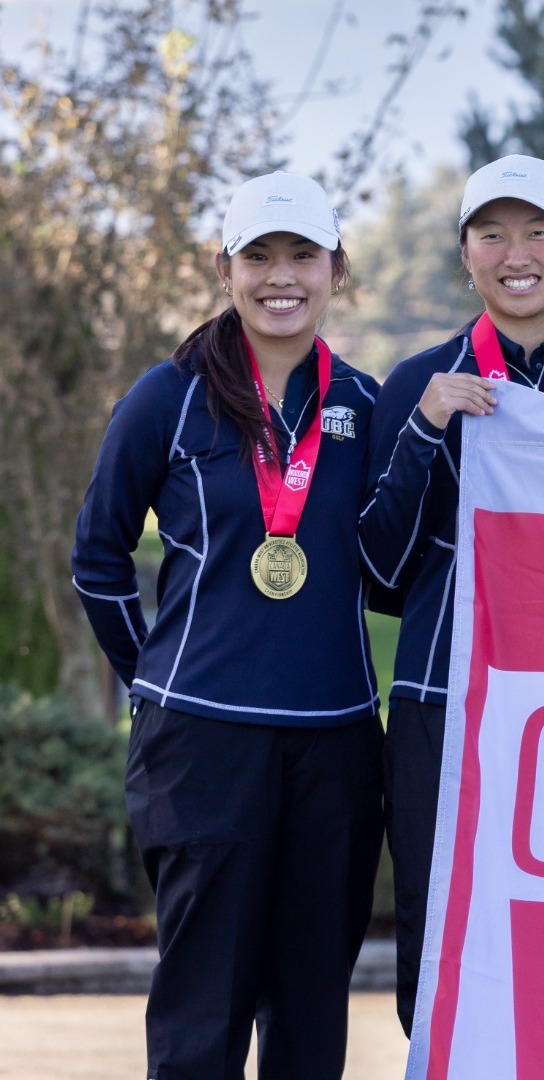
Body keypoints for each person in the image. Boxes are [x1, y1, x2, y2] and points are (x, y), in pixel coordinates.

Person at [72, 172, 384, 1078]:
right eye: (259, 256)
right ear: (225, 269)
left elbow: (397, 558)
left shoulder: (364, 406)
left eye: (302, 256)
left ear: (336, 269)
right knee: (202, 1014)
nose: (280, 276)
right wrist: (157, 684)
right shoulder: (165, 399)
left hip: (335, 746)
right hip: (203, 745)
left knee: (312, 1012)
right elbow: (97, 559)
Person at [360, 154, 544, 1036]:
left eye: (538, 231)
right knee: (437, 917)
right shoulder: (419, 382)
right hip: (440, 701)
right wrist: (425, 428)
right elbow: (378, 573)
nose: (515, 252)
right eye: (491, 232)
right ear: (466, 253)